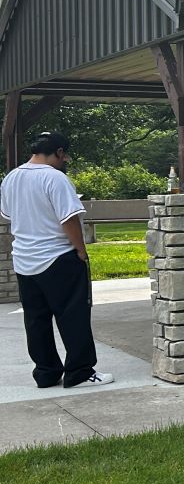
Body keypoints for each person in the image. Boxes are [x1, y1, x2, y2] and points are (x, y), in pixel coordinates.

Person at [0, 131, 112, 388]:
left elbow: (7, 213)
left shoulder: (12, 177)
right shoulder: (55, 178)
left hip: (25, 260)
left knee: (36, 319)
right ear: (59, 152)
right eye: (65, 156)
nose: (66, 161)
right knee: (73, 316)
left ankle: (46, 372)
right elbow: (69, 218)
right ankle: (80, 372)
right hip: (58, 257)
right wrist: (81, 251)